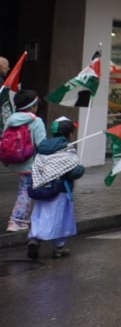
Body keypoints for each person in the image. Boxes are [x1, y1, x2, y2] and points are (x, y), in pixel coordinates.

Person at [26, 117, 84, 260]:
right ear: (70, 134)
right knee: (59, 219)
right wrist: (79, 169)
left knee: (40, 215)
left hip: (41, 187)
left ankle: (35, 239)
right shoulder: (68, 148)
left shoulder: (43, 147)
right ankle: (59, 248)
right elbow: (72, 172)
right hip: (60, 190)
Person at [5, 89, 46, 232]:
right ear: (33, 106)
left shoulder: (11, 119)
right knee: (26, 191)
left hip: (15, 161)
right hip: (30, 162)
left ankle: (23, 219)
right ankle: (16, 220)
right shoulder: (36, 121)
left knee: (24, 188)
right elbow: (41, 145)